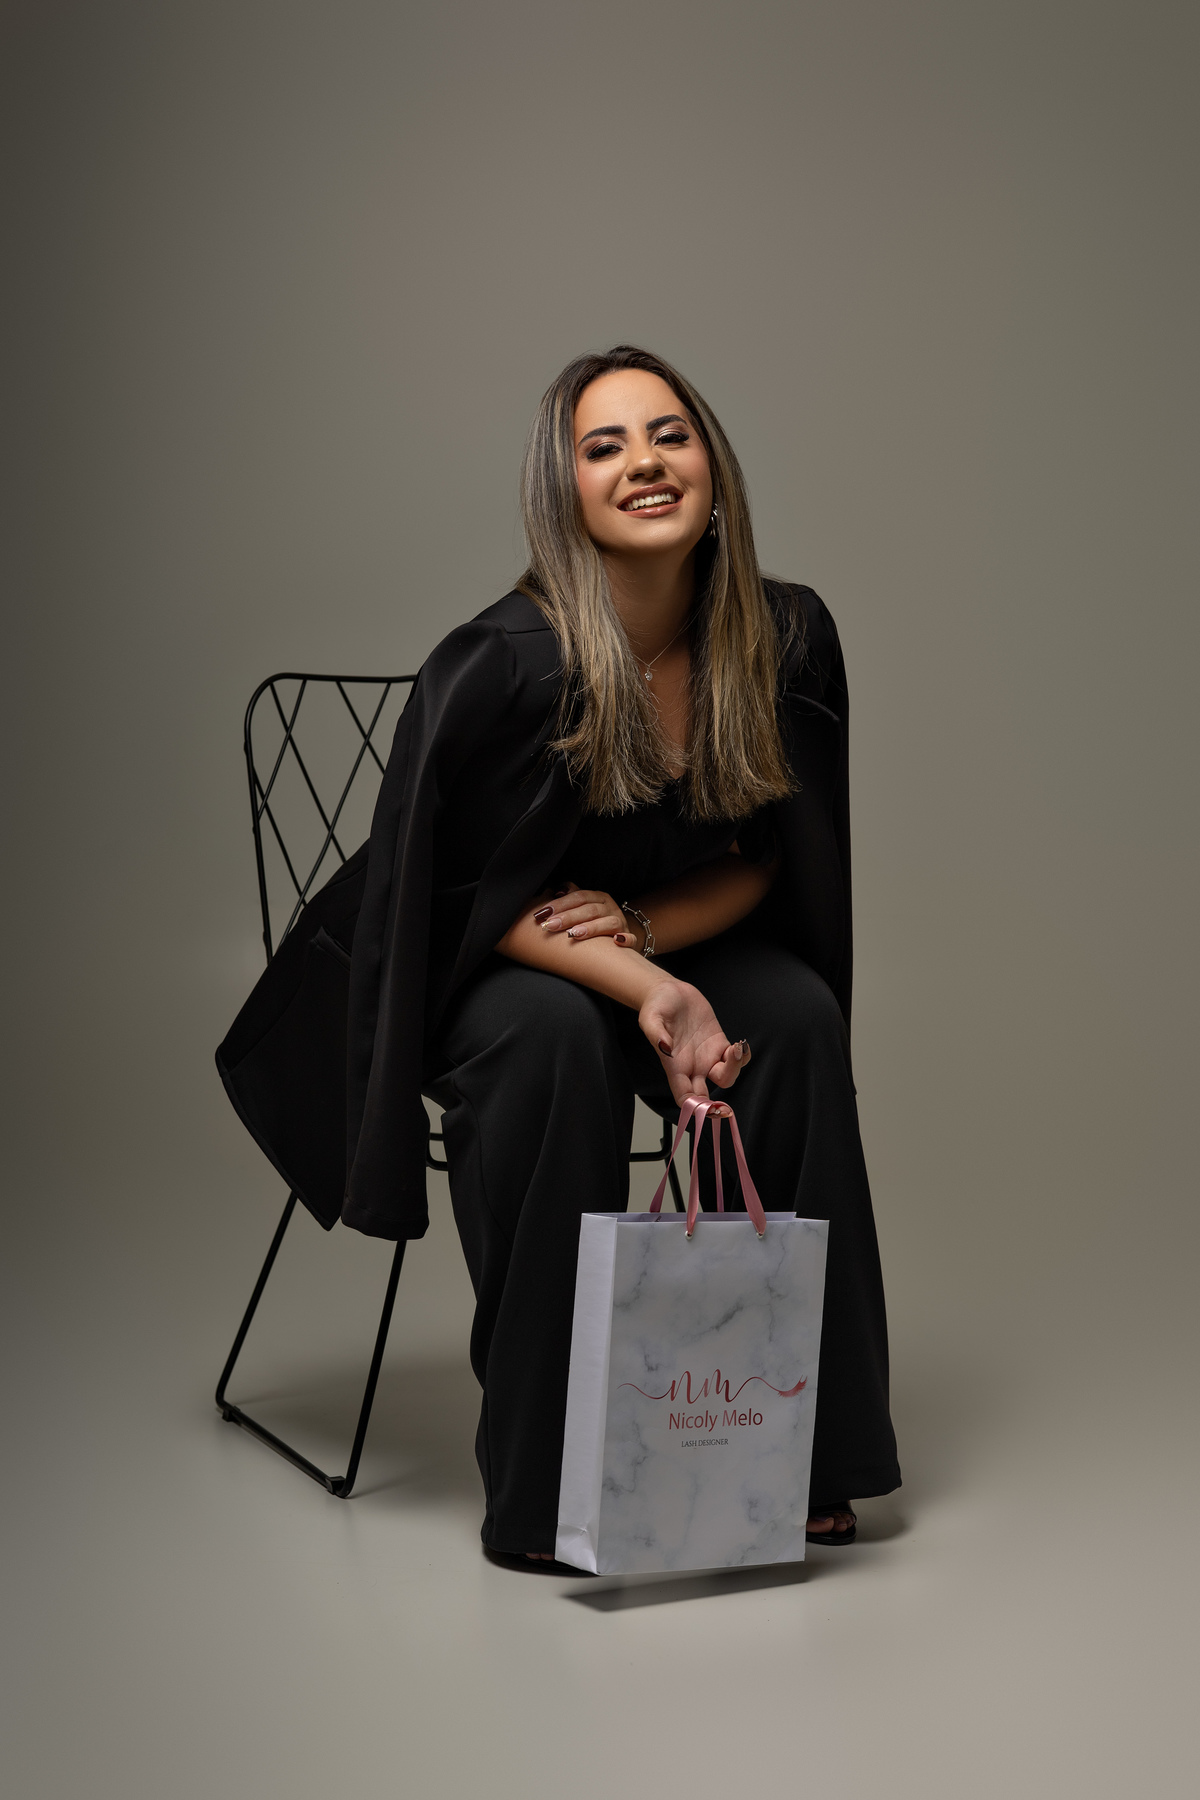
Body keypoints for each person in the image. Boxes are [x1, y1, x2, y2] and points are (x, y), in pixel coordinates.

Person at [219, 345, 900, 1568]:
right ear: (565, 491)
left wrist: (645, 936)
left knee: (794, 1018)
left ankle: (794, 1448)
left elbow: (771, 856)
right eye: (604, 446)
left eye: (670, 434)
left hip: (646, 922)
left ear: (713, 465)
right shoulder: (503, 665)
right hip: (474, 951)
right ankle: (551, 1483)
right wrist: (650, 989)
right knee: (547, 1045)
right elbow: (464, 899)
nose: (645, 462)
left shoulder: (783, 634)